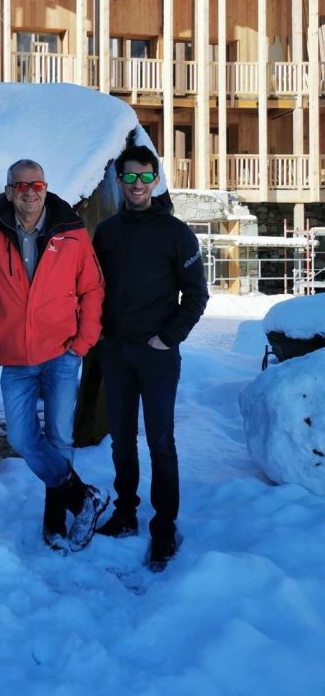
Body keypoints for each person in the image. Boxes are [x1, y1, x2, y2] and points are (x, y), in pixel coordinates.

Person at [0, 159, 108, 552]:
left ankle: (54, 522)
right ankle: (84, 495)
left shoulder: (71, 234)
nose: (29, 192)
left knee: (59, 438)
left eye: (35, 184)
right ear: (8, 192)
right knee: (21, 437)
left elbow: (93, 288)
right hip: (17, 359)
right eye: (20, 186)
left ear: (46, 187)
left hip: (62, 354)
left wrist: (83, 342)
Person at [92, 144, 208, 572]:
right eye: (129, 177)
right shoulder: (106, 232)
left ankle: (164, 525)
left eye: (145, 177)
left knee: (160, 441)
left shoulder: (176, 233)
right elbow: (94, 287)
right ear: (119, 182)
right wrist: (101, 335)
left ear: (155, 180)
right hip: (116, 353)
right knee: (122, 439)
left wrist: (168, 338)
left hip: (157, 355)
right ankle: (125, 513)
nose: (137, 185)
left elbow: (197, 294)